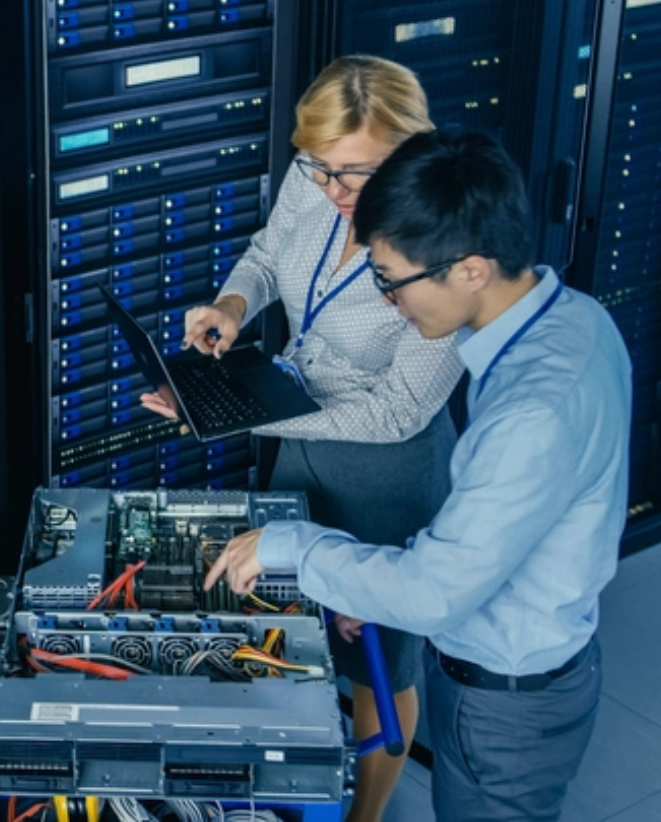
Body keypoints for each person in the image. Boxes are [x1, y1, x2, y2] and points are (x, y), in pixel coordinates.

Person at [203, 129, 631, 822]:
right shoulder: (575, 321)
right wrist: (378, 583)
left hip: (505, 711)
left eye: (392, 280)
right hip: (526, 662)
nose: (389, 301)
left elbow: (434, 595)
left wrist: (293, 548)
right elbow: (501, 529)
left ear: (469, 269)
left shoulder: (531, 413)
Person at [141, 56, 464, 822]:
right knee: (294, 627)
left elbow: (397, 414)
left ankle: (364, 817)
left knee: (377, 665)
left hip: (387, 470)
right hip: (297, 436)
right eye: (321, 169)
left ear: (411, 152)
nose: (335, 191)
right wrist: (231, 305)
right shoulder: (315, 174)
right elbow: (265, 253)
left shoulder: (447, 241)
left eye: (355, 175)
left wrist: (236, 415)